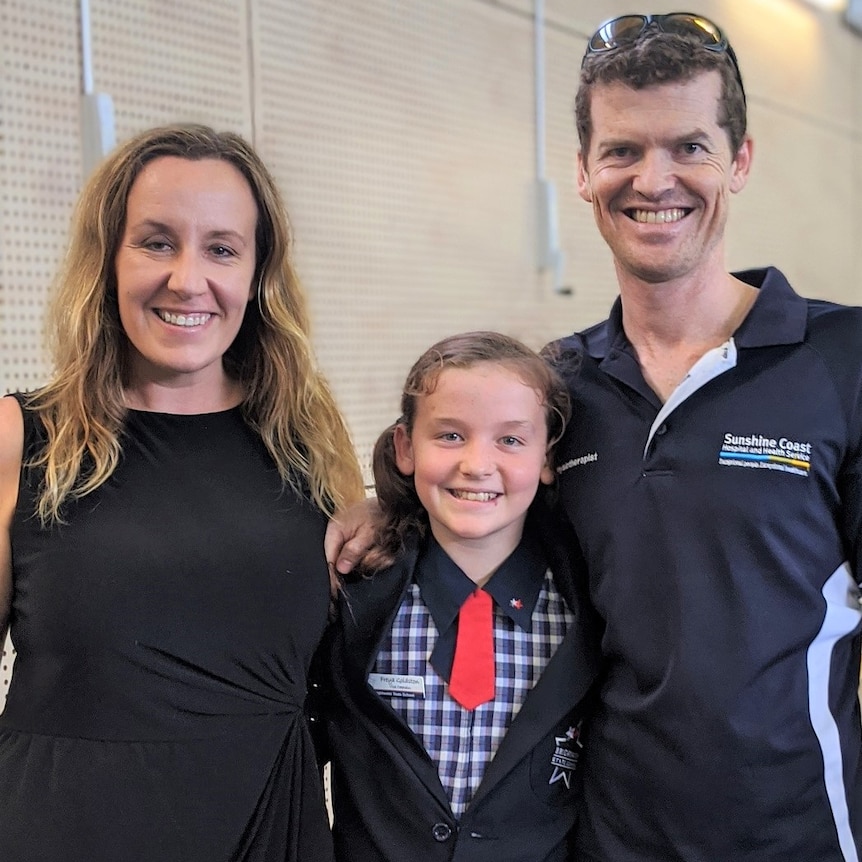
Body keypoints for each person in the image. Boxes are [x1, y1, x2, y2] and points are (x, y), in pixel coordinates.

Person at [327, 13, 862, 861]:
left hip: (800, 836)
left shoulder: (843, 363)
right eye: (621, 150)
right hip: (604, 839)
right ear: (582, 172)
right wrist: (384, 509)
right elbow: (481, 513)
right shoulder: (556, 390)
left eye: (690, 146)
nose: (655, 178)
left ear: (742, 161)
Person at [0, 123, 364, 861]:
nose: (187, 279)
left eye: (221, 248)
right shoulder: (20, 436)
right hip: (60, 833)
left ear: (258, 273)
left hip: (267, 832)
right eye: (156, 242)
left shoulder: (310, 442)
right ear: (108, 260)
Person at [316, 331, 600, 861]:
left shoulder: (585, 605)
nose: (476, 463)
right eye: (450, 436)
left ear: (547, 456)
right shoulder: (356, 592)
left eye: (510, 440)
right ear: (406, 447)